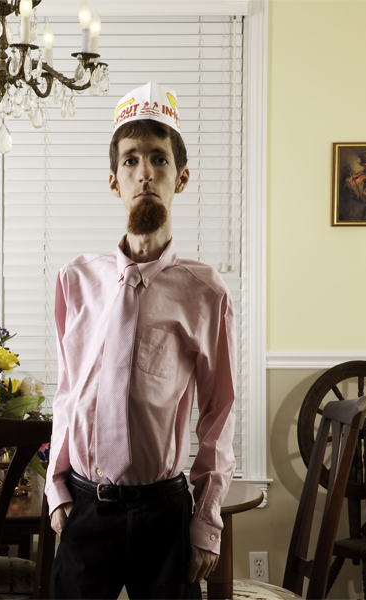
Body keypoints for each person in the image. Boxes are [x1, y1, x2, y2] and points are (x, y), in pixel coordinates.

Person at [45, 82, 237, 599]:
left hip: (164, 513)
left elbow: (219, 411)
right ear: (114, 182)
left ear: (182, 176)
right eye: (131, 161)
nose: (145, 172)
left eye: (158, 159)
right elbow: (68, 392)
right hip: (85, 508)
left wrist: (207, 520)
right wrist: (55, 488)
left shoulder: (204, 291)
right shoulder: (75, 280)